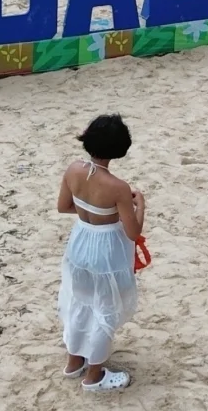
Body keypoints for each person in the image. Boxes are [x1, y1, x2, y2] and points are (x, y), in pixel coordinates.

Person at [56, 113, 146, 392]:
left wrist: (91, 212)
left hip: (81, 239)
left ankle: (75, 362)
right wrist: (140, 204)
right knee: (105, 309)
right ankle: (94, 375)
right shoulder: (118, 187)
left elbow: (63, 206)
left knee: (80, 301)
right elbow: (133, 232)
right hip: (107, 249)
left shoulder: (73, 169)